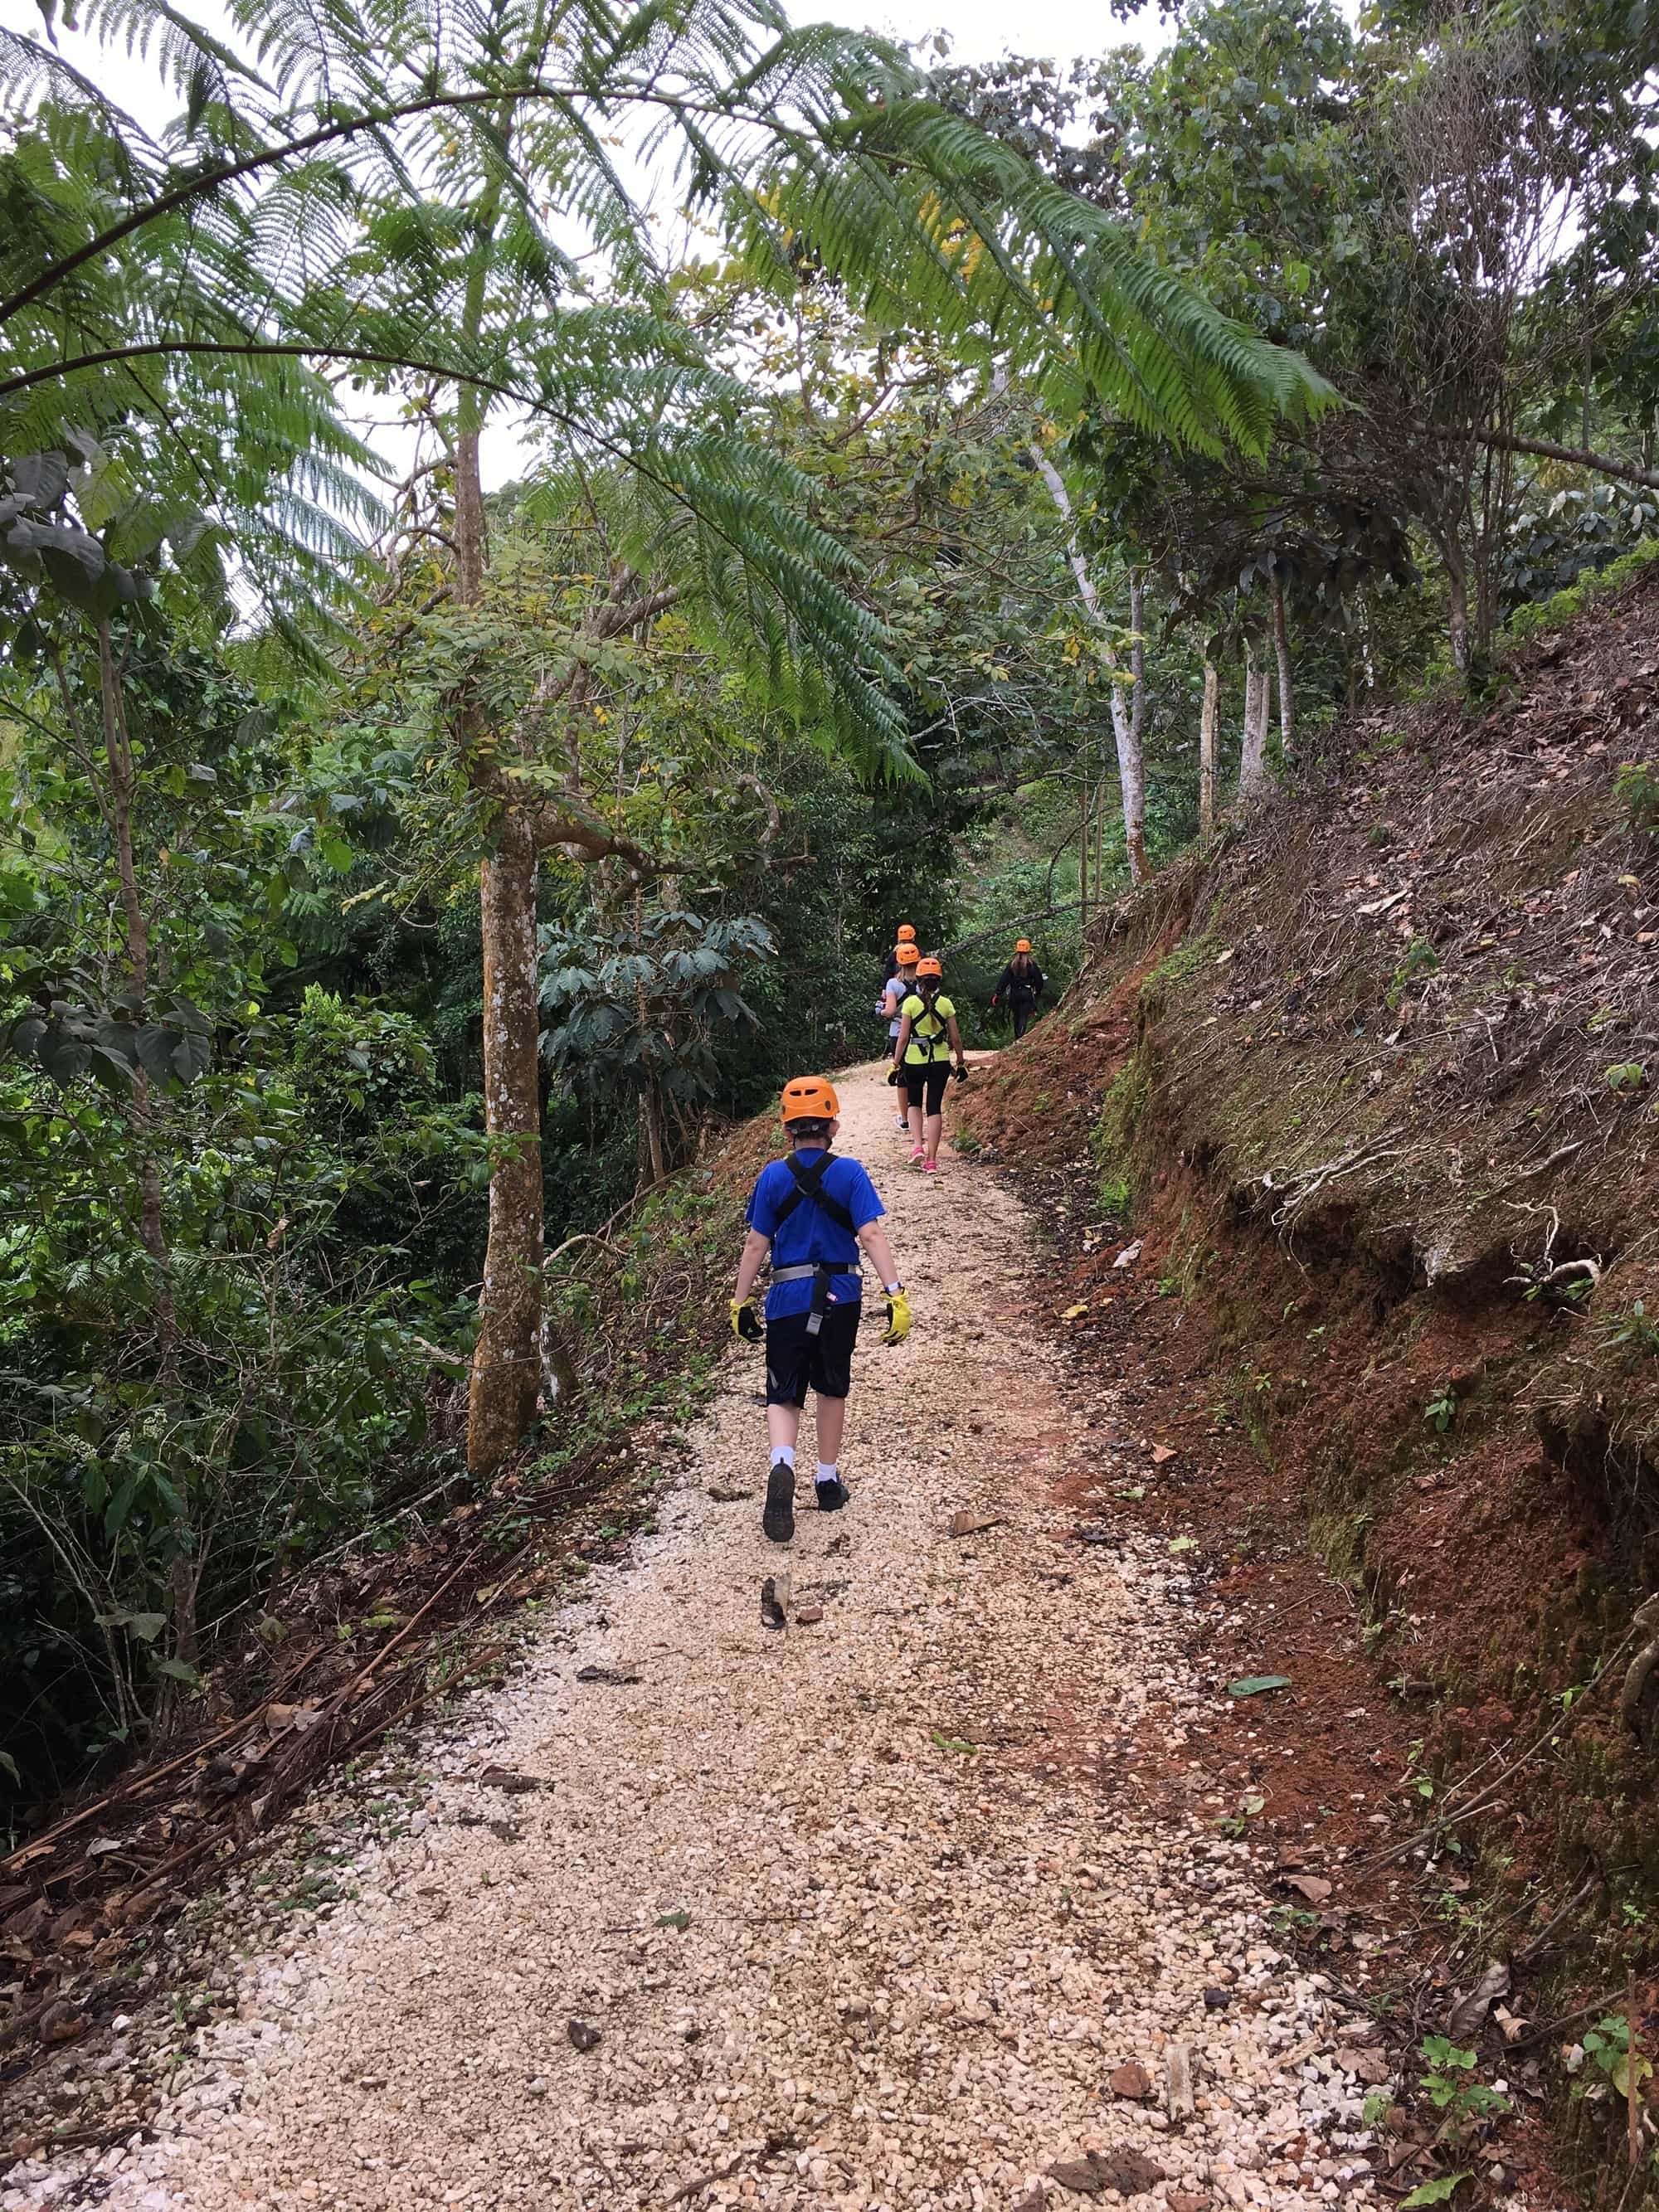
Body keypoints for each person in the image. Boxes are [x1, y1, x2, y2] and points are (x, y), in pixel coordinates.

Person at [730, 1076, 912, 1545]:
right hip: (841, 1296)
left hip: (788, 1298)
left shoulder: (772, 1176)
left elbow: (755, 1244)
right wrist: (895, 1293)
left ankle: (782, 1464)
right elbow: (871, 1236)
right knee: (832, 1388)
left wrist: (740, 1300)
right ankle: (827, 1482)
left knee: (784, 1393)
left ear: (787, 1129)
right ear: (833, 1124)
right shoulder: (850, 1173)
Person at [890, 955, 967, 1174]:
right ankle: (932, 1160)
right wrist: (960, 1062)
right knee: (934, 1107)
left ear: (919, 980)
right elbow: (956, 1038)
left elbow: (903, 1038)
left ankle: (917, 1147)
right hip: (940, 1061)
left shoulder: (911, 1004)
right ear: (938, 980)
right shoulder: (946, 1004)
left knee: (914, 1103)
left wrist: (896, 1064)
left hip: (914, 1060)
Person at [881, 941, 922, 1129]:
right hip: (921, 1035)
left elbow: (890, 1011)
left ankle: (905, 1120)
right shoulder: (925, 984)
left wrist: (879, 1010)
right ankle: (917, 1114)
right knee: (918, 1076)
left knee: (902, 1076)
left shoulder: (893, 984)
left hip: (898, 1033)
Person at [992, 938, 1046, 1040]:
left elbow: (1004, 979)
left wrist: (997, 994)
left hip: (1014, 993)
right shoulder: (1032, 965)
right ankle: (1021, 1038)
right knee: (1023, 1017)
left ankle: (1017, 1038)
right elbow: (1039, 980)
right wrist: (1037, 992)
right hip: (1026, 993)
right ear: (1029, 950)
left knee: (1016, 1017)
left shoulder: (1012, 964)